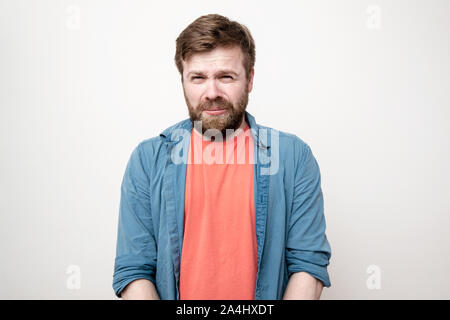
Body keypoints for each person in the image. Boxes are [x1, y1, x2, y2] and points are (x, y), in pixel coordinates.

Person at [112, 13, 331, 300]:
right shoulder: (147, 159)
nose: (211, 92)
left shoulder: (293, 157)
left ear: (250, 79)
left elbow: (308, 265)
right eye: (198, 78)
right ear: (183, 81)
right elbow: (134, 270)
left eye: (226, 76)